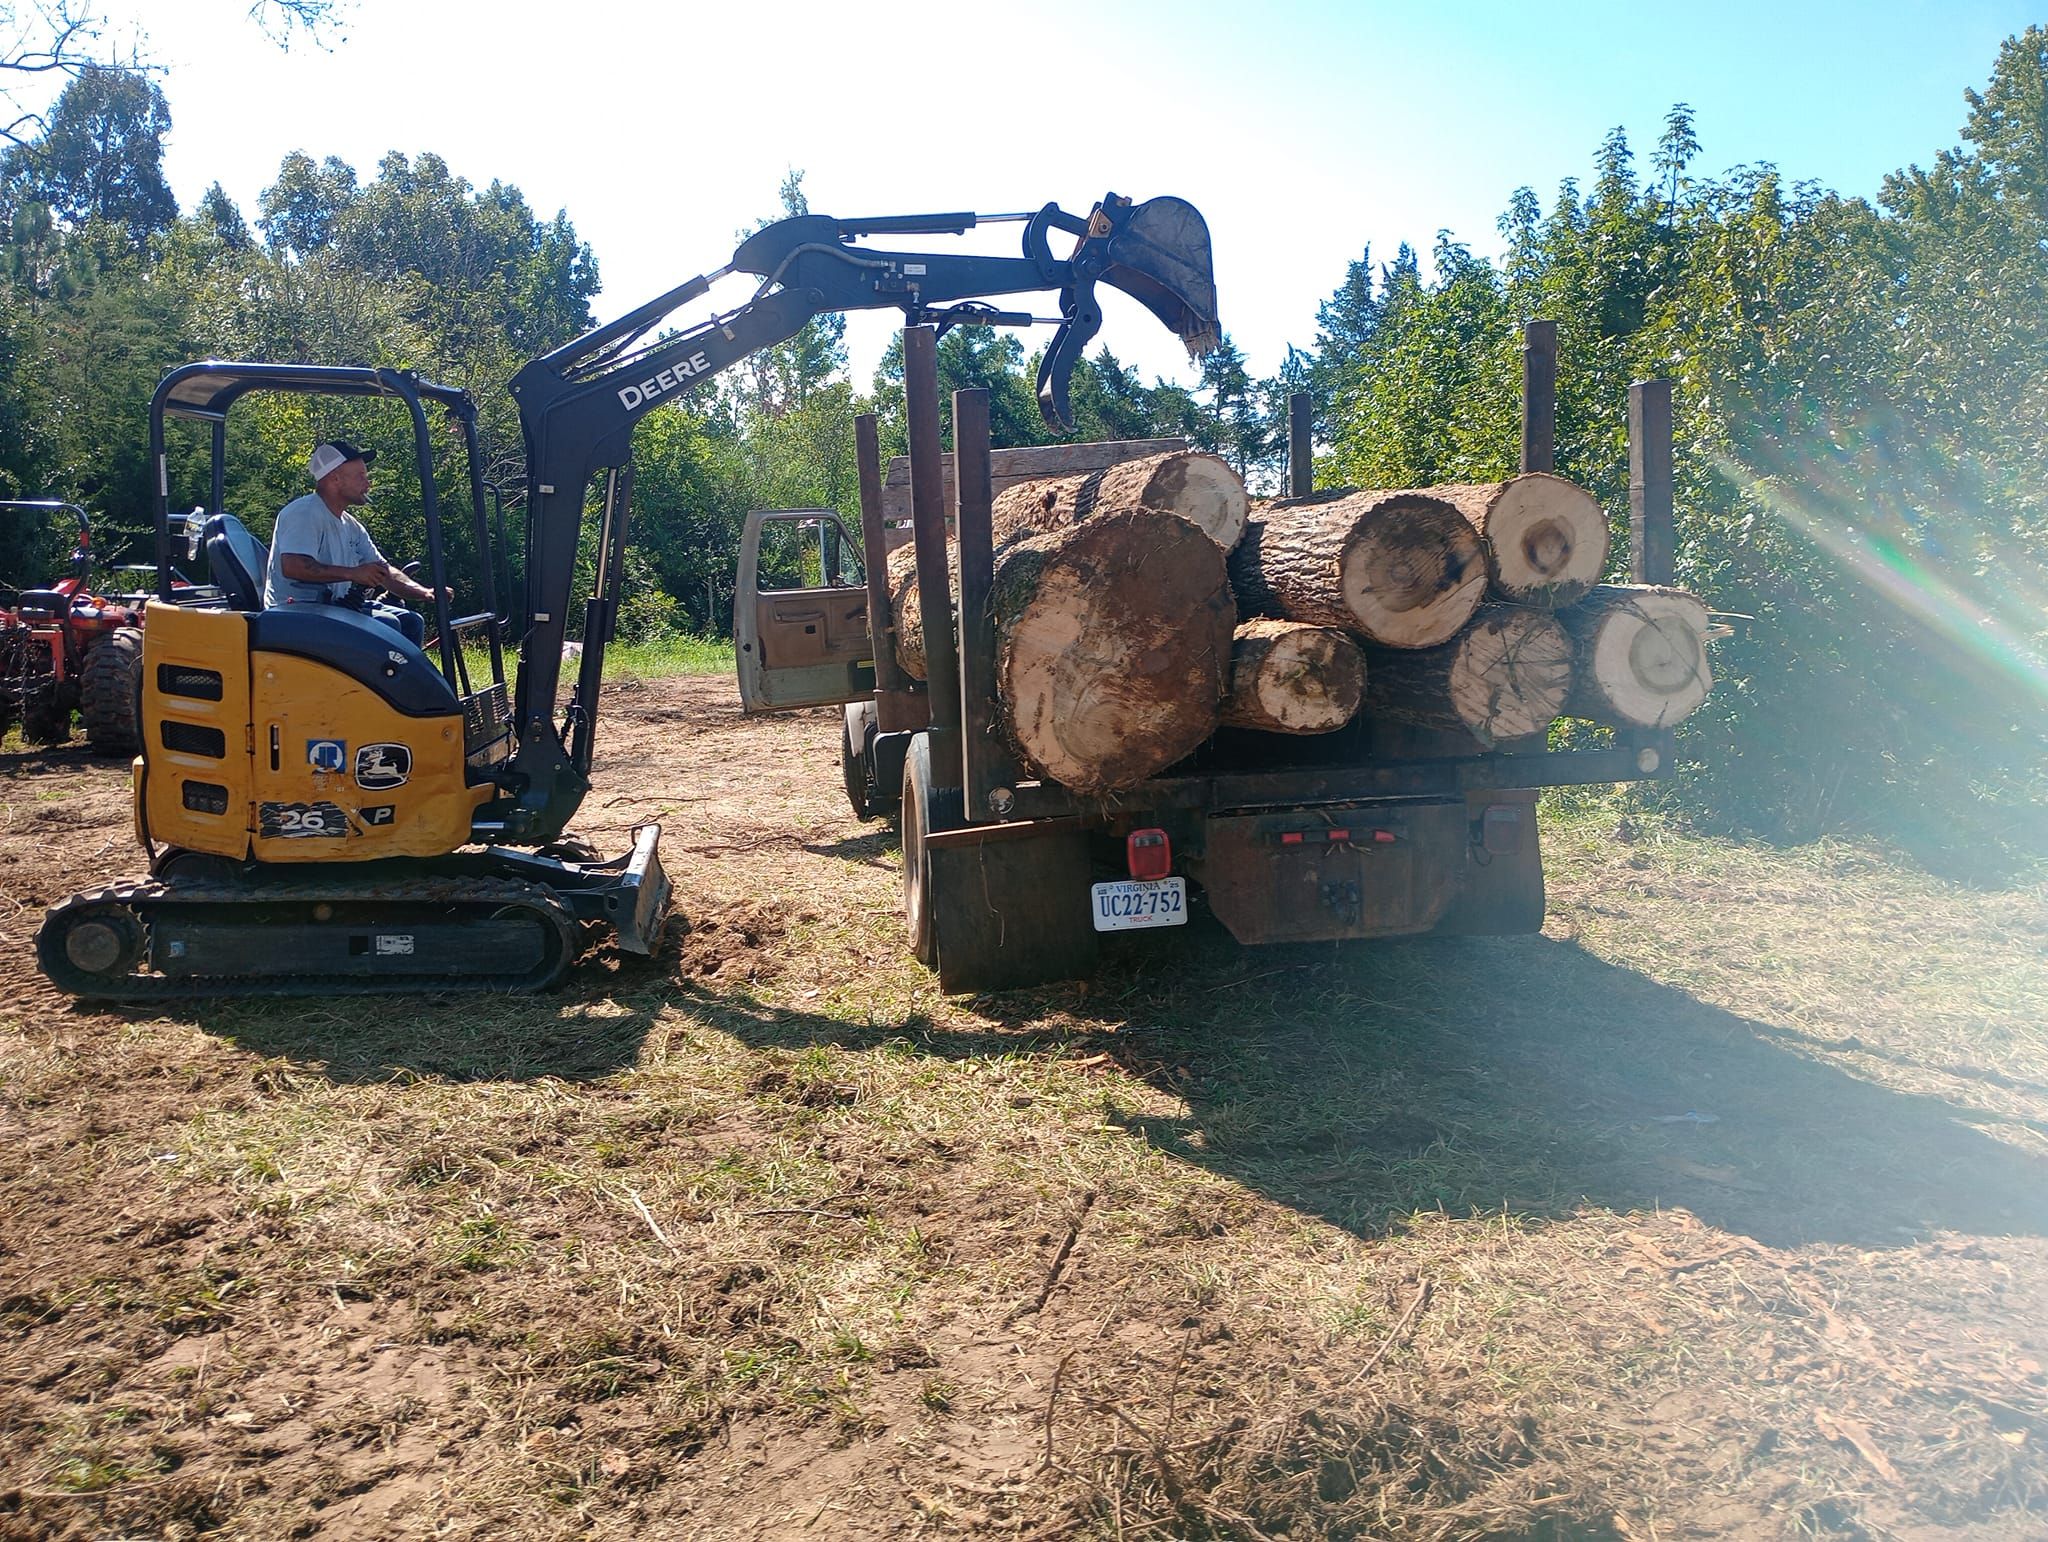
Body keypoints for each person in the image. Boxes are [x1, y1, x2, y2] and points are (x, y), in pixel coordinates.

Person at [263, 440, 446, 610]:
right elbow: (294, 566)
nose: (368, 484)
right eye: (360, 476)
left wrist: (425, 593)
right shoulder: (304, 513)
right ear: (335, 478)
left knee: (409, 621)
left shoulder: (351, 525)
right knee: (390, 625)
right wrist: (353, 573)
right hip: (296, 612)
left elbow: (383, 570)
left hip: (332, 609)